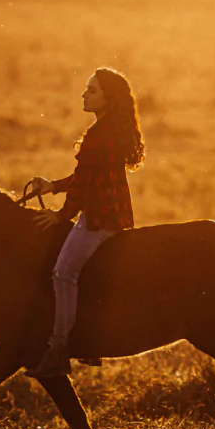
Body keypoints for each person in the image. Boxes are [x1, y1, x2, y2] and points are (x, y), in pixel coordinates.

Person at [25, 67, 146, 378]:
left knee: (63, 273)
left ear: (107, 98)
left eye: (91, 90)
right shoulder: (111, 130)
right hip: (115, 215)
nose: (84, 94)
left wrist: (60, 215)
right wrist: (51, 186)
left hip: (98, 219)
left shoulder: (97, 136)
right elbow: (85, 176)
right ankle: (89, 343)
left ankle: (58, 349)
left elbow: (83, 188)